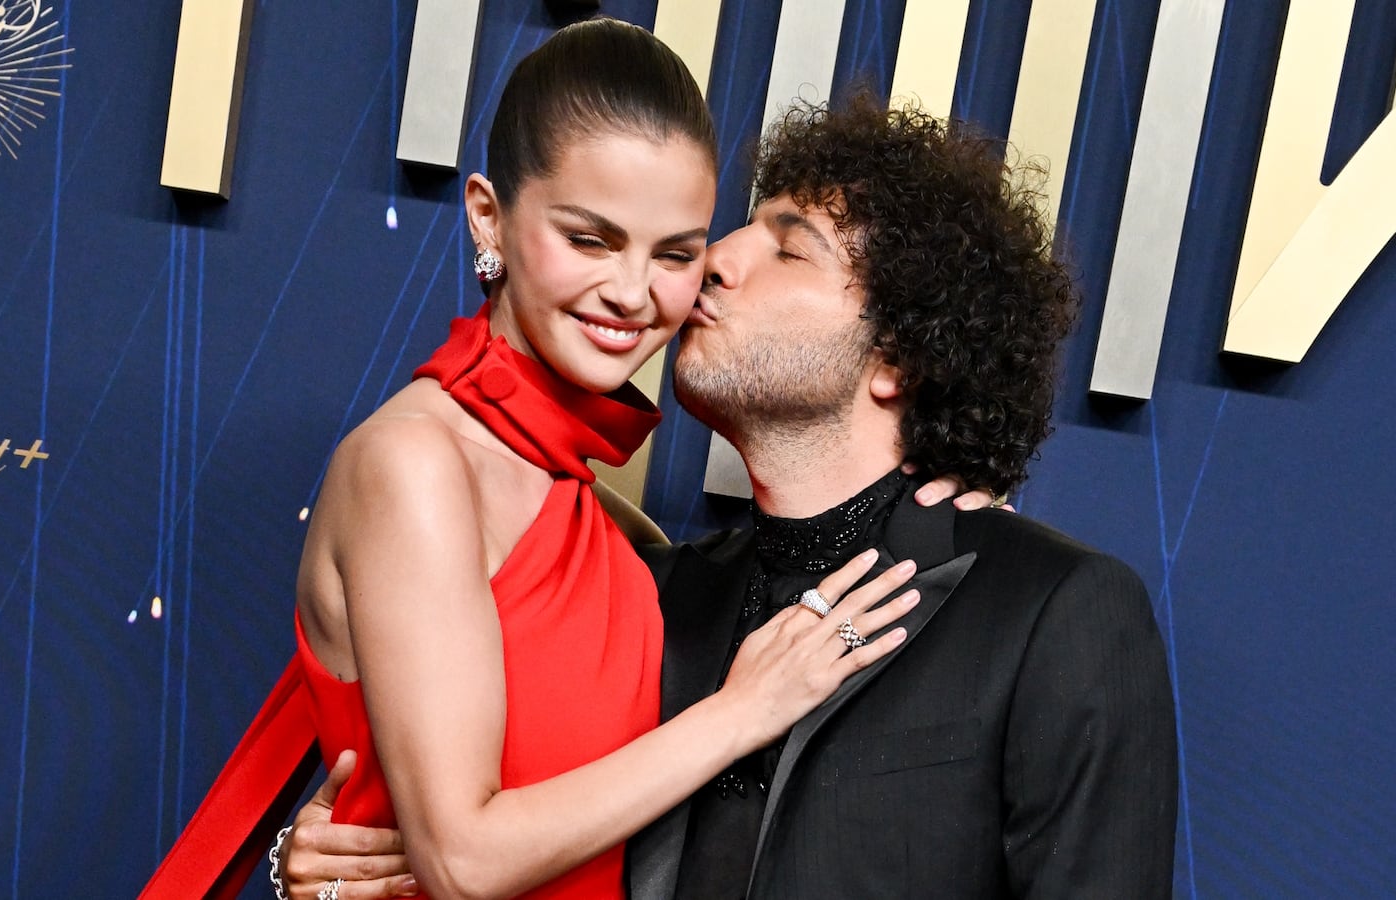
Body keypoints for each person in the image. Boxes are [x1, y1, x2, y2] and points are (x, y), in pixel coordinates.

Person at [284, 94, 1179, 899]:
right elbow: (474, 824)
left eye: (789, 248)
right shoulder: (649, 598)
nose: (715, 261)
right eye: (737, 230)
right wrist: (323, 864)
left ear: (903, 356)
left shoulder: (1051, 612)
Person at [142, 21, 929, 900]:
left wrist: (934, 489)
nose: (633, 293)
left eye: (674, 254)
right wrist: (741, 713)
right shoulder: (415, 463)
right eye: (590, 240)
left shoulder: (605, 522)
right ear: (490, 216)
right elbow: (462, 861)